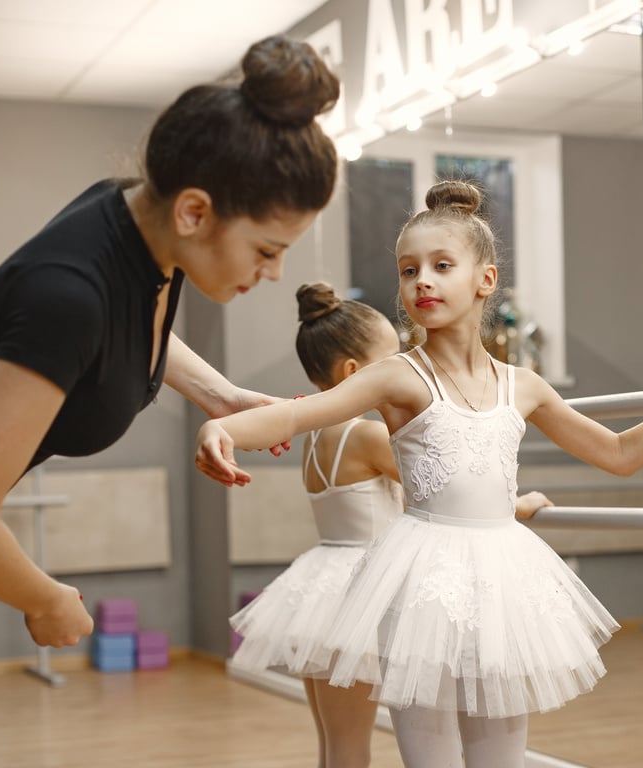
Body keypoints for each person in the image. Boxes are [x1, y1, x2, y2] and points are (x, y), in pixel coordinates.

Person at [0, 35, 339, 768]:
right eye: (268, 250)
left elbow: (129, 325)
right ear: (195, 212)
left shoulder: (138, 231)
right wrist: (47, 598)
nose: (273, 274)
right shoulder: (69, 295)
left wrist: (222, 394)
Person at [195, 180, 643, 768]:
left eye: (442, 266)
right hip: (421, 584)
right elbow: (296, 412)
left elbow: (619, 453)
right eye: (409, 271)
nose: (422, 282)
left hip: (501, 583)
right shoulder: (398, 377)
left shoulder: (525, 387)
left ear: (485, 279)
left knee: (501, 760)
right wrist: (225, 428)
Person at [228, 282, 554, 768]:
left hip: (320, 581)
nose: (406, 365)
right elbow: (445, 486)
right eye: (394, 357)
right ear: (356, 372)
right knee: (360, 744)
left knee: (336, 744)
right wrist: (516, 504)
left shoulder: (318, 434)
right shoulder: (366, 435)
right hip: (365, 589)